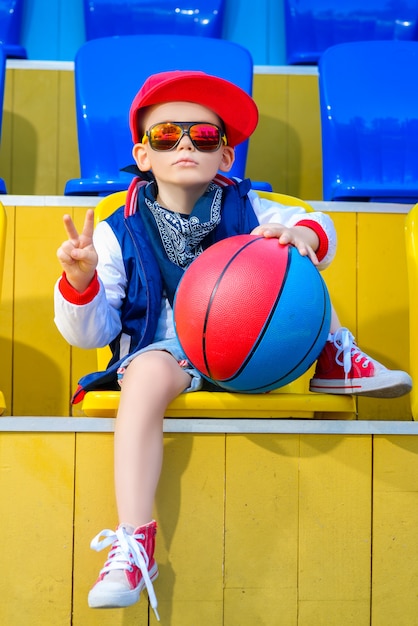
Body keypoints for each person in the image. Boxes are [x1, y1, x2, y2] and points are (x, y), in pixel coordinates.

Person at [54, 70, 412, 618]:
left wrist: (300, 237)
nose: (184, 145)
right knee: (145, 377)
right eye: (167, 134)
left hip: (247, 346)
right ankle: (133, 542)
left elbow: (321, 225)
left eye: (203, 137)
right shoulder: (113, 228)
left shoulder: (250, 208)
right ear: (142, 154)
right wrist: (81, 284)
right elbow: (93, 335)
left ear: (225, 156)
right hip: (163, 350)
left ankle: (334, 355)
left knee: (287, 261)